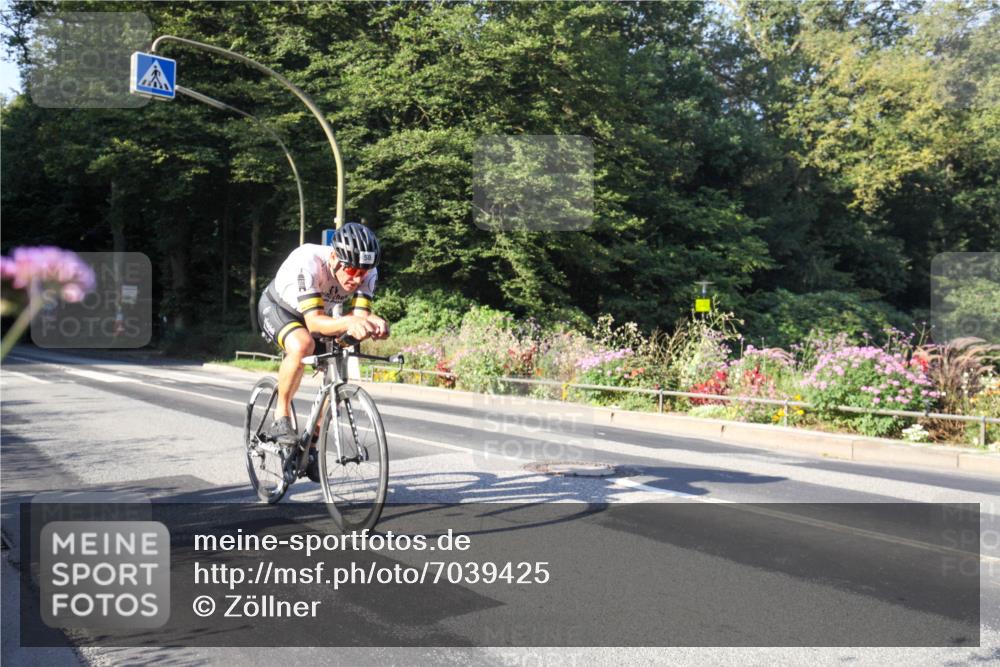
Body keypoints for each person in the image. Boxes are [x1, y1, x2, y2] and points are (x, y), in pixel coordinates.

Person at [257, 222, 390, 481]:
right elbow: (315, 323)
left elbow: (358, 319)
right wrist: (351, 322)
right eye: (351, 270)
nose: (356, 278)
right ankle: (281, 414)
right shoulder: (307, 261)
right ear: (334, 258)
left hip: (320, 314)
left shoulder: (367, 273)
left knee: (338, 370)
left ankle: (313, 445)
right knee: (302, 344)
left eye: (363, 272)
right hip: (279, 308)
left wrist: (374, 326)